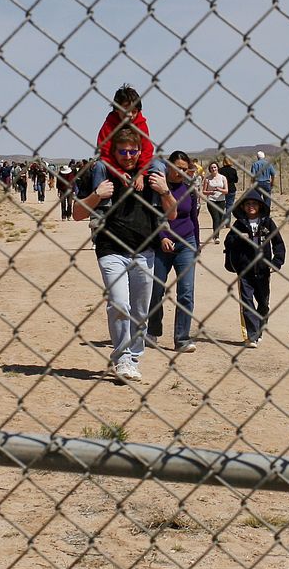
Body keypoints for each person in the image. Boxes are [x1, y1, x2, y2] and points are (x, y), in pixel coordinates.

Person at [75, 124, 176, 383]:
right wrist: (97, 196)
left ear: (140, 152)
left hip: (145, 252)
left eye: (133, 152)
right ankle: (122, 358)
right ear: (114, 151)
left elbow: (171, 214)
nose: (128, 156)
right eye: (123, 152)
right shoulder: (103, 175)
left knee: (140, 311)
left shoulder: (152, 177)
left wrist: (165, 191)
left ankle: (133, 357)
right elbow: (77, 214)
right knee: (120, 303)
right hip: (111, 250)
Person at [147, 150, 202, 351]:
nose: (181, 172)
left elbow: (193, 220)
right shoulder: (157, 188)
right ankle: (152, 331)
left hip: (186, 244)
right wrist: (162, 238)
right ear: (168, 166)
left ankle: (182, 338)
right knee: (156, 290)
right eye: (177, 168)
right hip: (162, 246)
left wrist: (197, 244)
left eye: (185, 169)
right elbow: (153, 217)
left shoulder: (189, 190)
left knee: (186, 292)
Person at [222, 189, 285, 348]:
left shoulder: (267, 223)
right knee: (247, 302)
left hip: (263, 270)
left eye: (254, 204)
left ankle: (260, 328)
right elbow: (228, 242)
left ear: (260, 206)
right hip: (244, 271)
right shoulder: (239, 224)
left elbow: (278, 244)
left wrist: (276, 262)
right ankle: (251, 336)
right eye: (248, 204)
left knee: (263, 303)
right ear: (243, 207)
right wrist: (238, 237)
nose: (251, 206)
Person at [95, 84, 155, 174]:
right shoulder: (109, 124)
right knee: (99, 166)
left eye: (134, 111)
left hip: (136, 163)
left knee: (159, 166)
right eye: (126, 110)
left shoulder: (140, 124)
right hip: (115, 164)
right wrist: (118, 172)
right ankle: (98, 188)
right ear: (117, 109)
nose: (130, 115)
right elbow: (104, 151)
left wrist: (141, 173)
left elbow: (147, 149)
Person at [202, 157, 231, 238]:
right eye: (211, 168)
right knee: (216, 218)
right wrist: (210, 192)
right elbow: (204, 191)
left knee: (220, 218)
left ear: (217, 168)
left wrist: (219, 189)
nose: (213, 169)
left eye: (215, 167)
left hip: (221, 200)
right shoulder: (207, 179)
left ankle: (217, 232)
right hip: (211, 200)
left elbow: (226, 191)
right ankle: (216, 236)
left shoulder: (223, 178)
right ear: (209, 169)